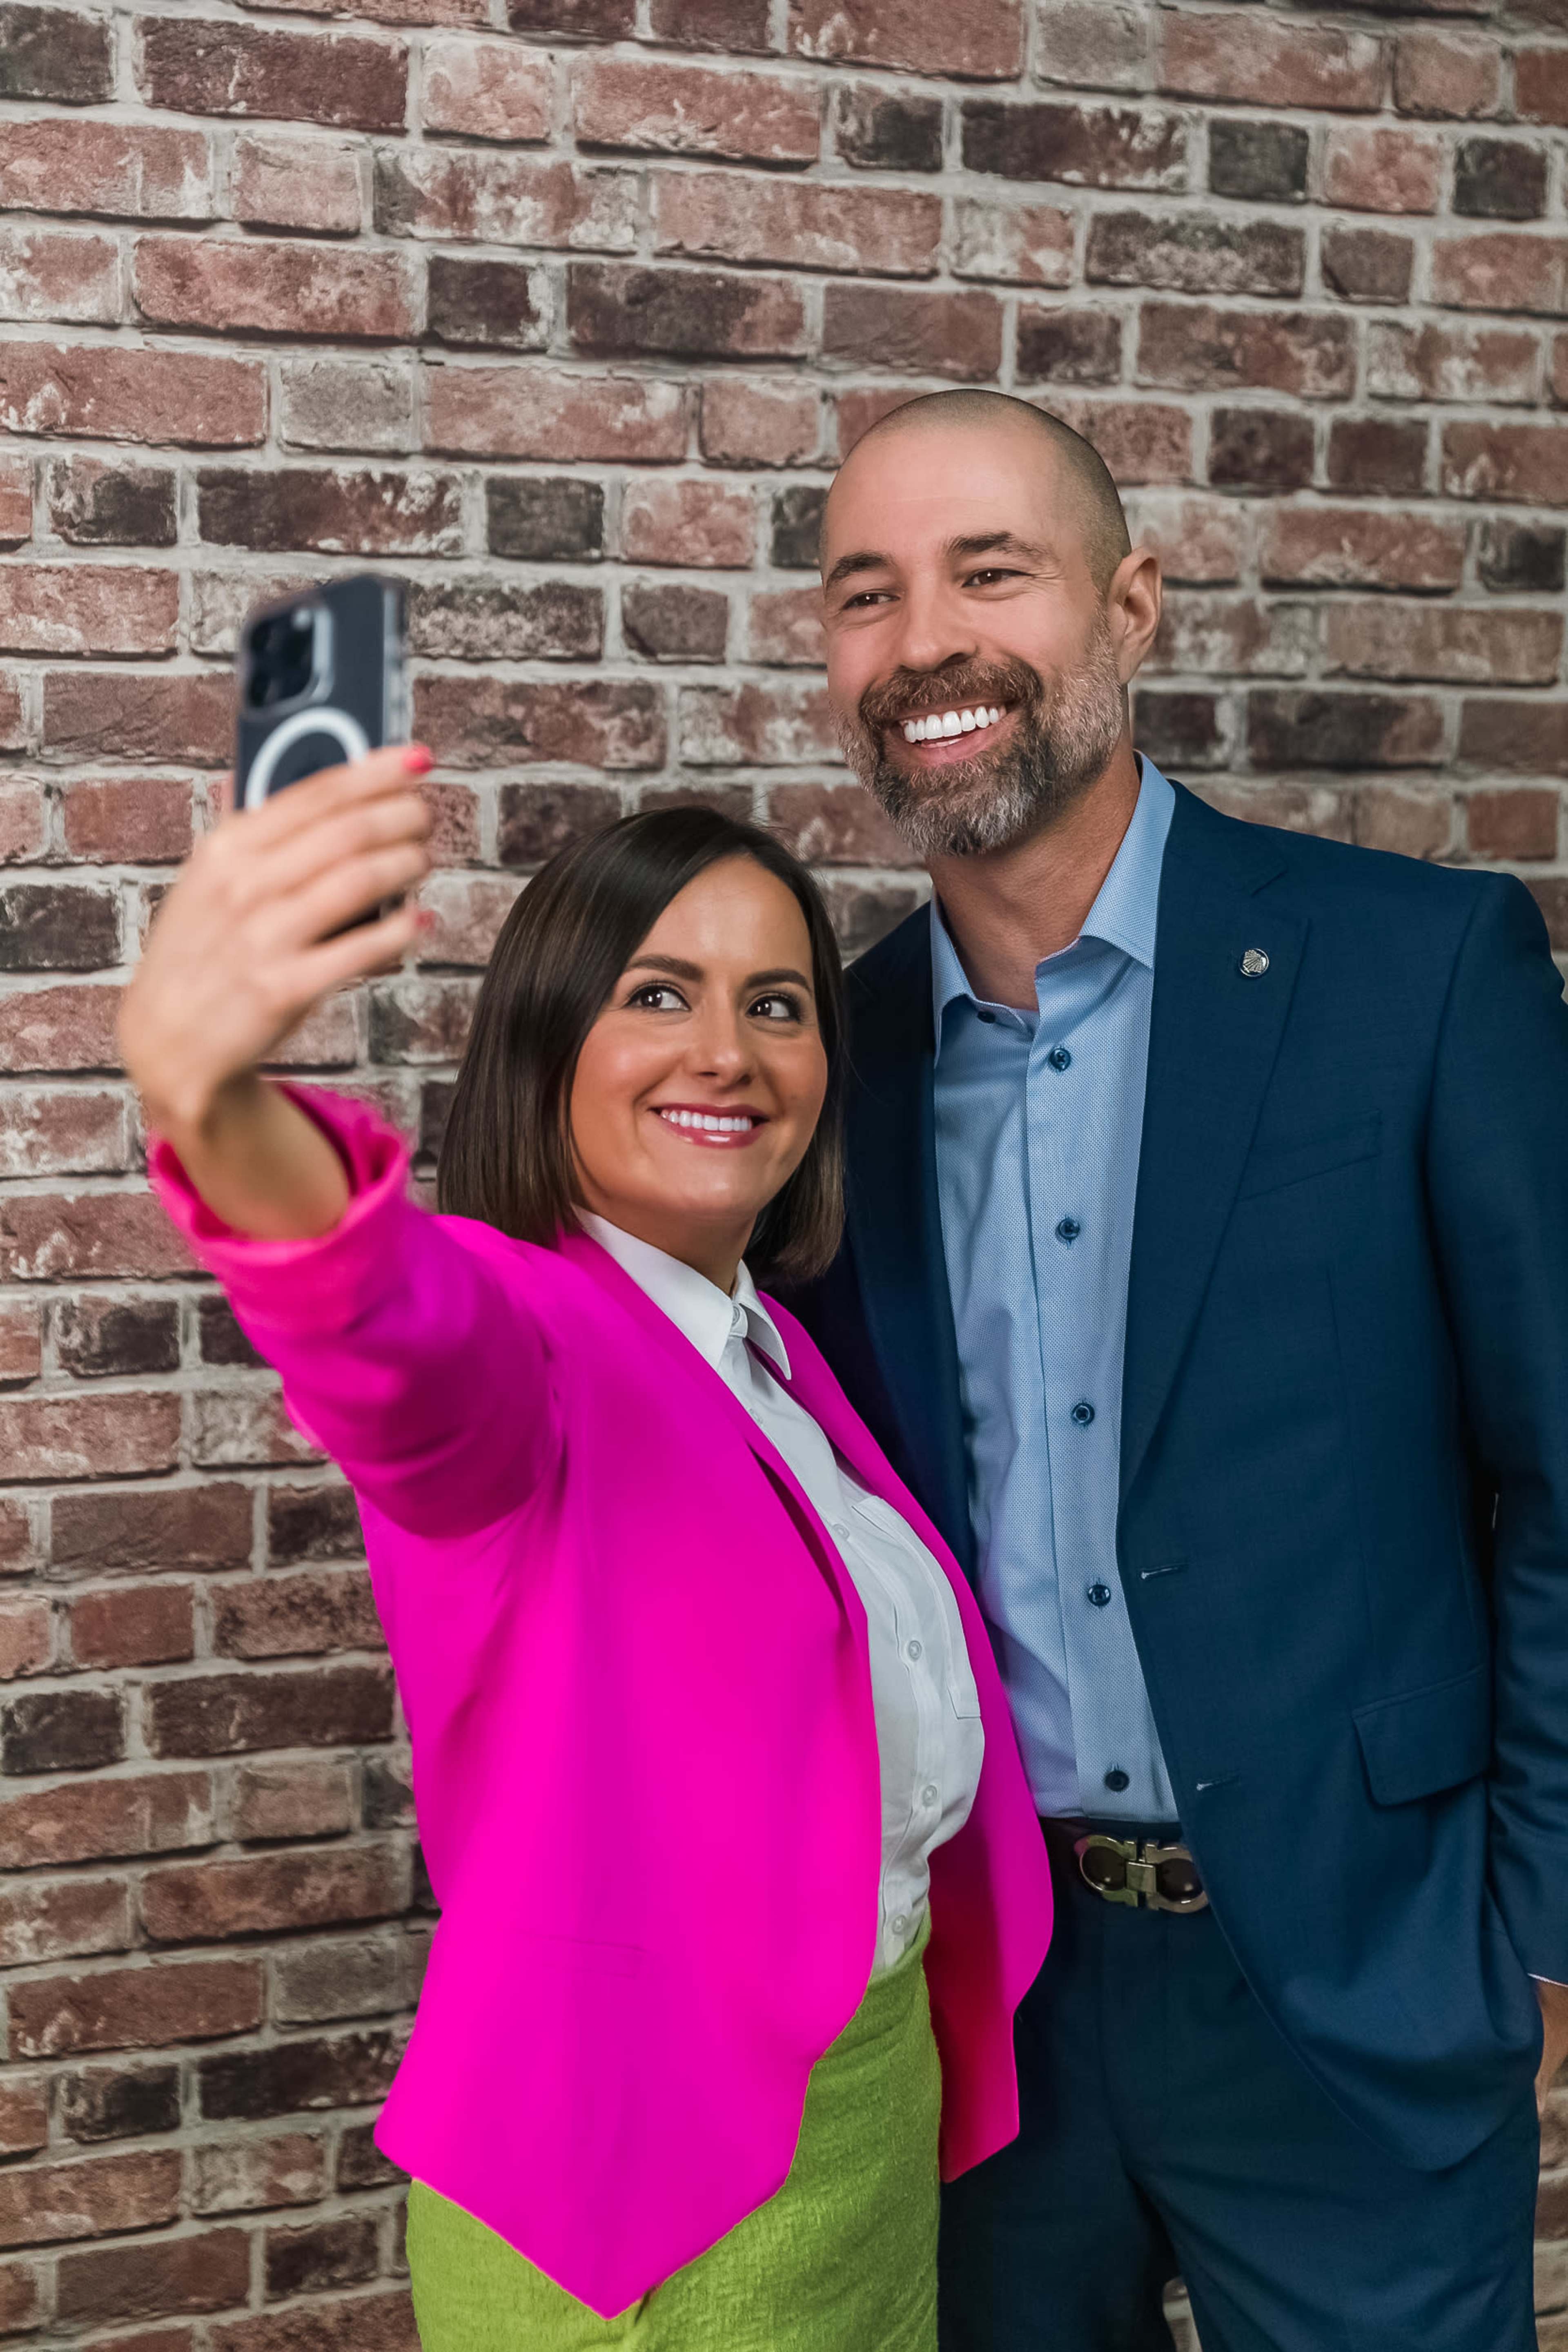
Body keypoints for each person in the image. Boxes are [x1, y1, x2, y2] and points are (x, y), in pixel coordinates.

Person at [784, 386, 1568, 2352]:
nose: (923, 645)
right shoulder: (824, 1067)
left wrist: (1543, 1933)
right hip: (987, 2007)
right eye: (864, 593)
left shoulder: (1420, 971)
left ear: (1133, 607)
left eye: (991, 571)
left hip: (1354, 1979)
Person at [119, 753, 1053, 2351]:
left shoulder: (775, 1360)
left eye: (777, 1004)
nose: (729, 1051)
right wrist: (213, 1106)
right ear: (552, 1044)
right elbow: (393, 1343)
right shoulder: (529, 1333)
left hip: (864, 2147)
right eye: (659, 994)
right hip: (642, 2210)